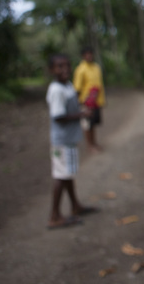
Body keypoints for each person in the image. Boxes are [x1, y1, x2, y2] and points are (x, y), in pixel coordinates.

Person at [46, 54, 98, 229]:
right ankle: (54, 216)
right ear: (52, 70)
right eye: (59, 66)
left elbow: (71, 106)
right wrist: (82, 114)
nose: (65, 69)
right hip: (61, 141)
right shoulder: (56, 90)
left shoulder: (67, 86)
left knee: (67, 174)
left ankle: (75, 206)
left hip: (69, 139)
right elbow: (58, 117)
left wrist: (84, 103)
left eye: (67, 65)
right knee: (61, 176)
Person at [73, 46, 106, 153]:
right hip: (86, 102)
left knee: (93, 124)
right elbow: (77, 88)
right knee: (87, 125)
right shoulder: (80, 69)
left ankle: (94, 143)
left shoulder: (96, 67)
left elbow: (100, 84)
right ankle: (89, 145)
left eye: (90, 53)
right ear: (83, 56)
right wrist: (78, 104)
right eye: (86, 54)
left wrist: (102, 100)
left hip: (96, 102)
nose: (89, 56)